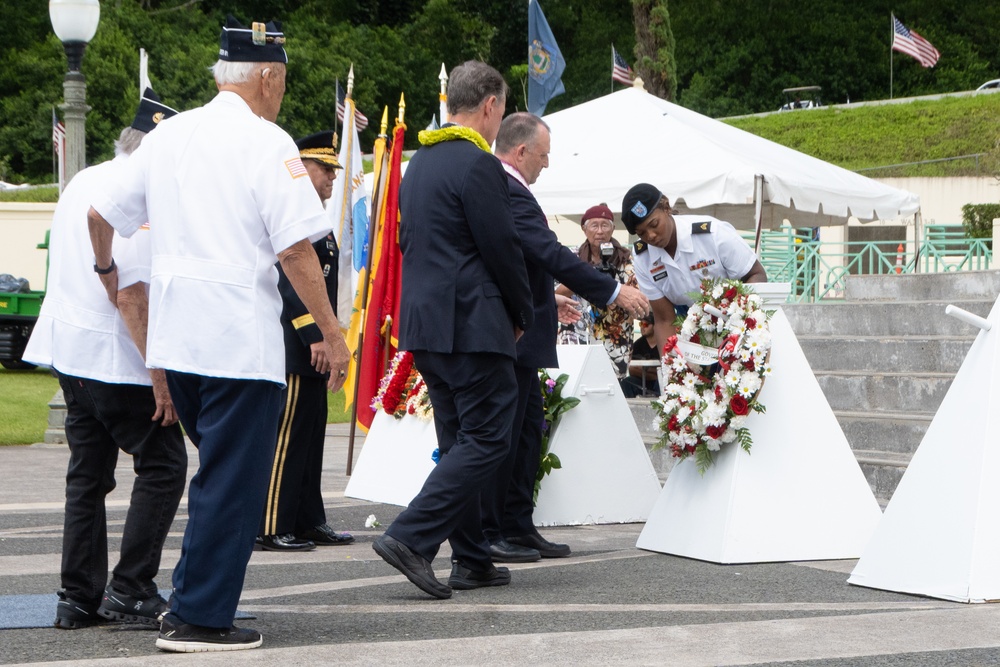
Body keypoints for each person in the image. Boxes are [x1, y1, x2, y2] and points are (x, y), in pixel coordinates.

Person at [87, 16, 350, 652]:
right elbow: (295, 250)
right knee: (233, 482)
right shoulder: (268, 143)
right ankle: (199, 617)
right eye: (282, 81)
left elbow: (101, 213)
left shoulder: (168, 136)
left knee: (218, 478)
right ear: (267, 75)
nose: (281, 93)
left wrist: (105, 271)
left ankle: (192, 595)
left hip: (180, 343)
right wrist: (333, 330)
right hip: (238, 342)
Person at [22, 89, 186, 630]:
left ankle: (77, 596)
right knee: (164, 463)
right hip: (117, 358)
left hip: (71, 352)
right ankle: (132, 587)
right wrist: (158, 375)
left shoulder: (84, 179)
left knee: (87, 476)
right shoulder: (135, 195)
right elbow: (131, 295)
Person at [372, 60, 533, 598]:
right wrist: (522, 313)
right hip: (471, 322)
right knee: (488, 439)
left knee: (458, 440)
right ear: (489, 106)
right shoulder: (477, 164)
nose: (500, 119)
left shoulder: (420, 163)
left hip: (426, 324)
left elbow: (407, 242)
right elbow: (502, 249)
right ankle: (412, 538)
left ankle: (471, 559)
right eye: (502, 109)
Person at [486, 112, 650, 562]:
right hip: (512, 336)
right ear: (521, 152)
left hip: (527, 330)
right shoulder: (510, 189)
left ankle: (517, 524)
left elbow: (525, 261)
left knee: (527, 433)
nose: (547, 165)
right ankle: (494, 528)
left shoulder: (512, 189)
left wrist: (546, 300)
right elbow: (547, 252)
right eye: (543, 156)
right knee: (506, 435)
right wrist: (614, 290)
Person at [257, 130, 355, 552]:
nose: (332, 178)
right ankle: (272, 522)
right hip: (296, 346)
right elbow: (288, 279)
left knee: (312, 435)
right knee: (289, 436)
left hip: (315, 345)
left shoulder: (315, 218)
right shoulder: (294, 215)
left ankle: (308, 519)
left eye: (334, 170)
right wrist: (314, 335)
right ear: (302, 168)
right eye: (325, 169)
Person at [620, 183, 768, 355]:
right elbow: (664, 320)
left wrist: (741, 321)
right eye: (642, 233)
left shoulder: (712, 234)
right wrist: (672, 369)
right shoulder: (643, 256)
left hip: (737, 326)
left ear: (666, 207)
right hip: (693, 337)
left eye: (654, 224)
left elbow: (756, 274)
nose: (650, 236)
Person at [556, 204, 638, 389]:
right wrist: (585, 276)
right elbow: (554, 293)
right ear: (584, 229)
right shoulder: (571, 257)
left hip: (615, 339)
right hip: (576, 331)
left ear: (613, 229)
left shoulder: (627, 259)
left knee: (608, 391)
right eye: (594, 225)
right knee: (572, 387)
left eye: (605, 225)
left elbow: (636, 299)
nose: (600, 231)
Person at [623, 314, 660, 397]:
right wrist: (653, 372)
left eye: (645, 325)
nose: (642, 327)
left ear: (654, 326)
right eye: (640, 324)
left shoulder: (662, 343)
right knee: (626, 382)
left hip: (658, 382)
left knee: (661, 382)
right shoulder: (637, 344)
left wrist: (643, 370)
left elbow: (664, 371)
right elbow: (632, 370)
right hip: (641, 381)